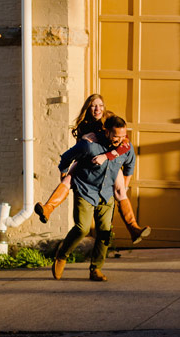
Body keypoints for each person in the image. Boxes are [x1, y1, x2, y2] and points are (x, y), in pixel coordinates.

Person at [33, 93, 150, 244]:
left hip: (110, 159)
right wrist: (83, 139)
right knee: (69, 178)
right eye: (94, 105)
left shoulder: (109, 118)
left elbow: (124, 143)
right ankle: (48, 209)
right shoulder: (83, 123)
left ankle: (133, 228)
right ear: (88, 107)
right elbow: (79, 149)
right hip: (87, 160)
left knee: (120, 189)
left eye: (100, 105)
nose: (97, 109)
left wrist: (107, 156)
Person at [52, 115, 134, 282]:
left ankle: (96, 268)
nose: (120, 139)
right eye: (116, 135)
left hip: (106, 194)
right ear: (107, 132)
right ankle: (62, 255)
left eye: (123, 135)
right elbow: (66, 156)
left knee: (105, 232)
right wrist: (64, 173)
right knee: (82, 228)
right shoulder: (90, 145)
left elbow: (130, 165)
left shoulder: (125, 147)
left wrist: (123, 186)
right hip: (86, 190)